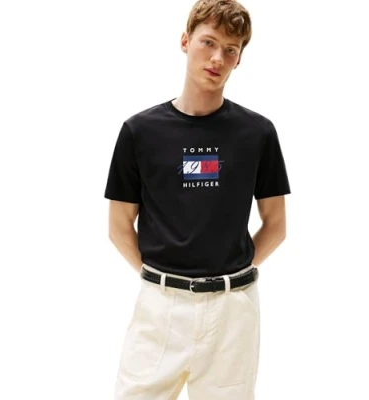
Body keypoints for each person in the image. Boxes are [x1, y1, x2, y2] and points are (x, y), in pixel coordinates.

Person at [104, 0, 291, 398]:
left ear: (239, 59)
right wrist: (161, 282)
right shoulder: (139, 131)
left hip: (233, 313)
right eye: (209, 42)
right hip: (159, 309)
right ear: (185, 41)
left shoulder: (258, 133)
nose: (217, 58)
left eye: (230, 49)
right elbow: (119, 226)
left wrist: (230, 277)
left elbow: (276, 225)